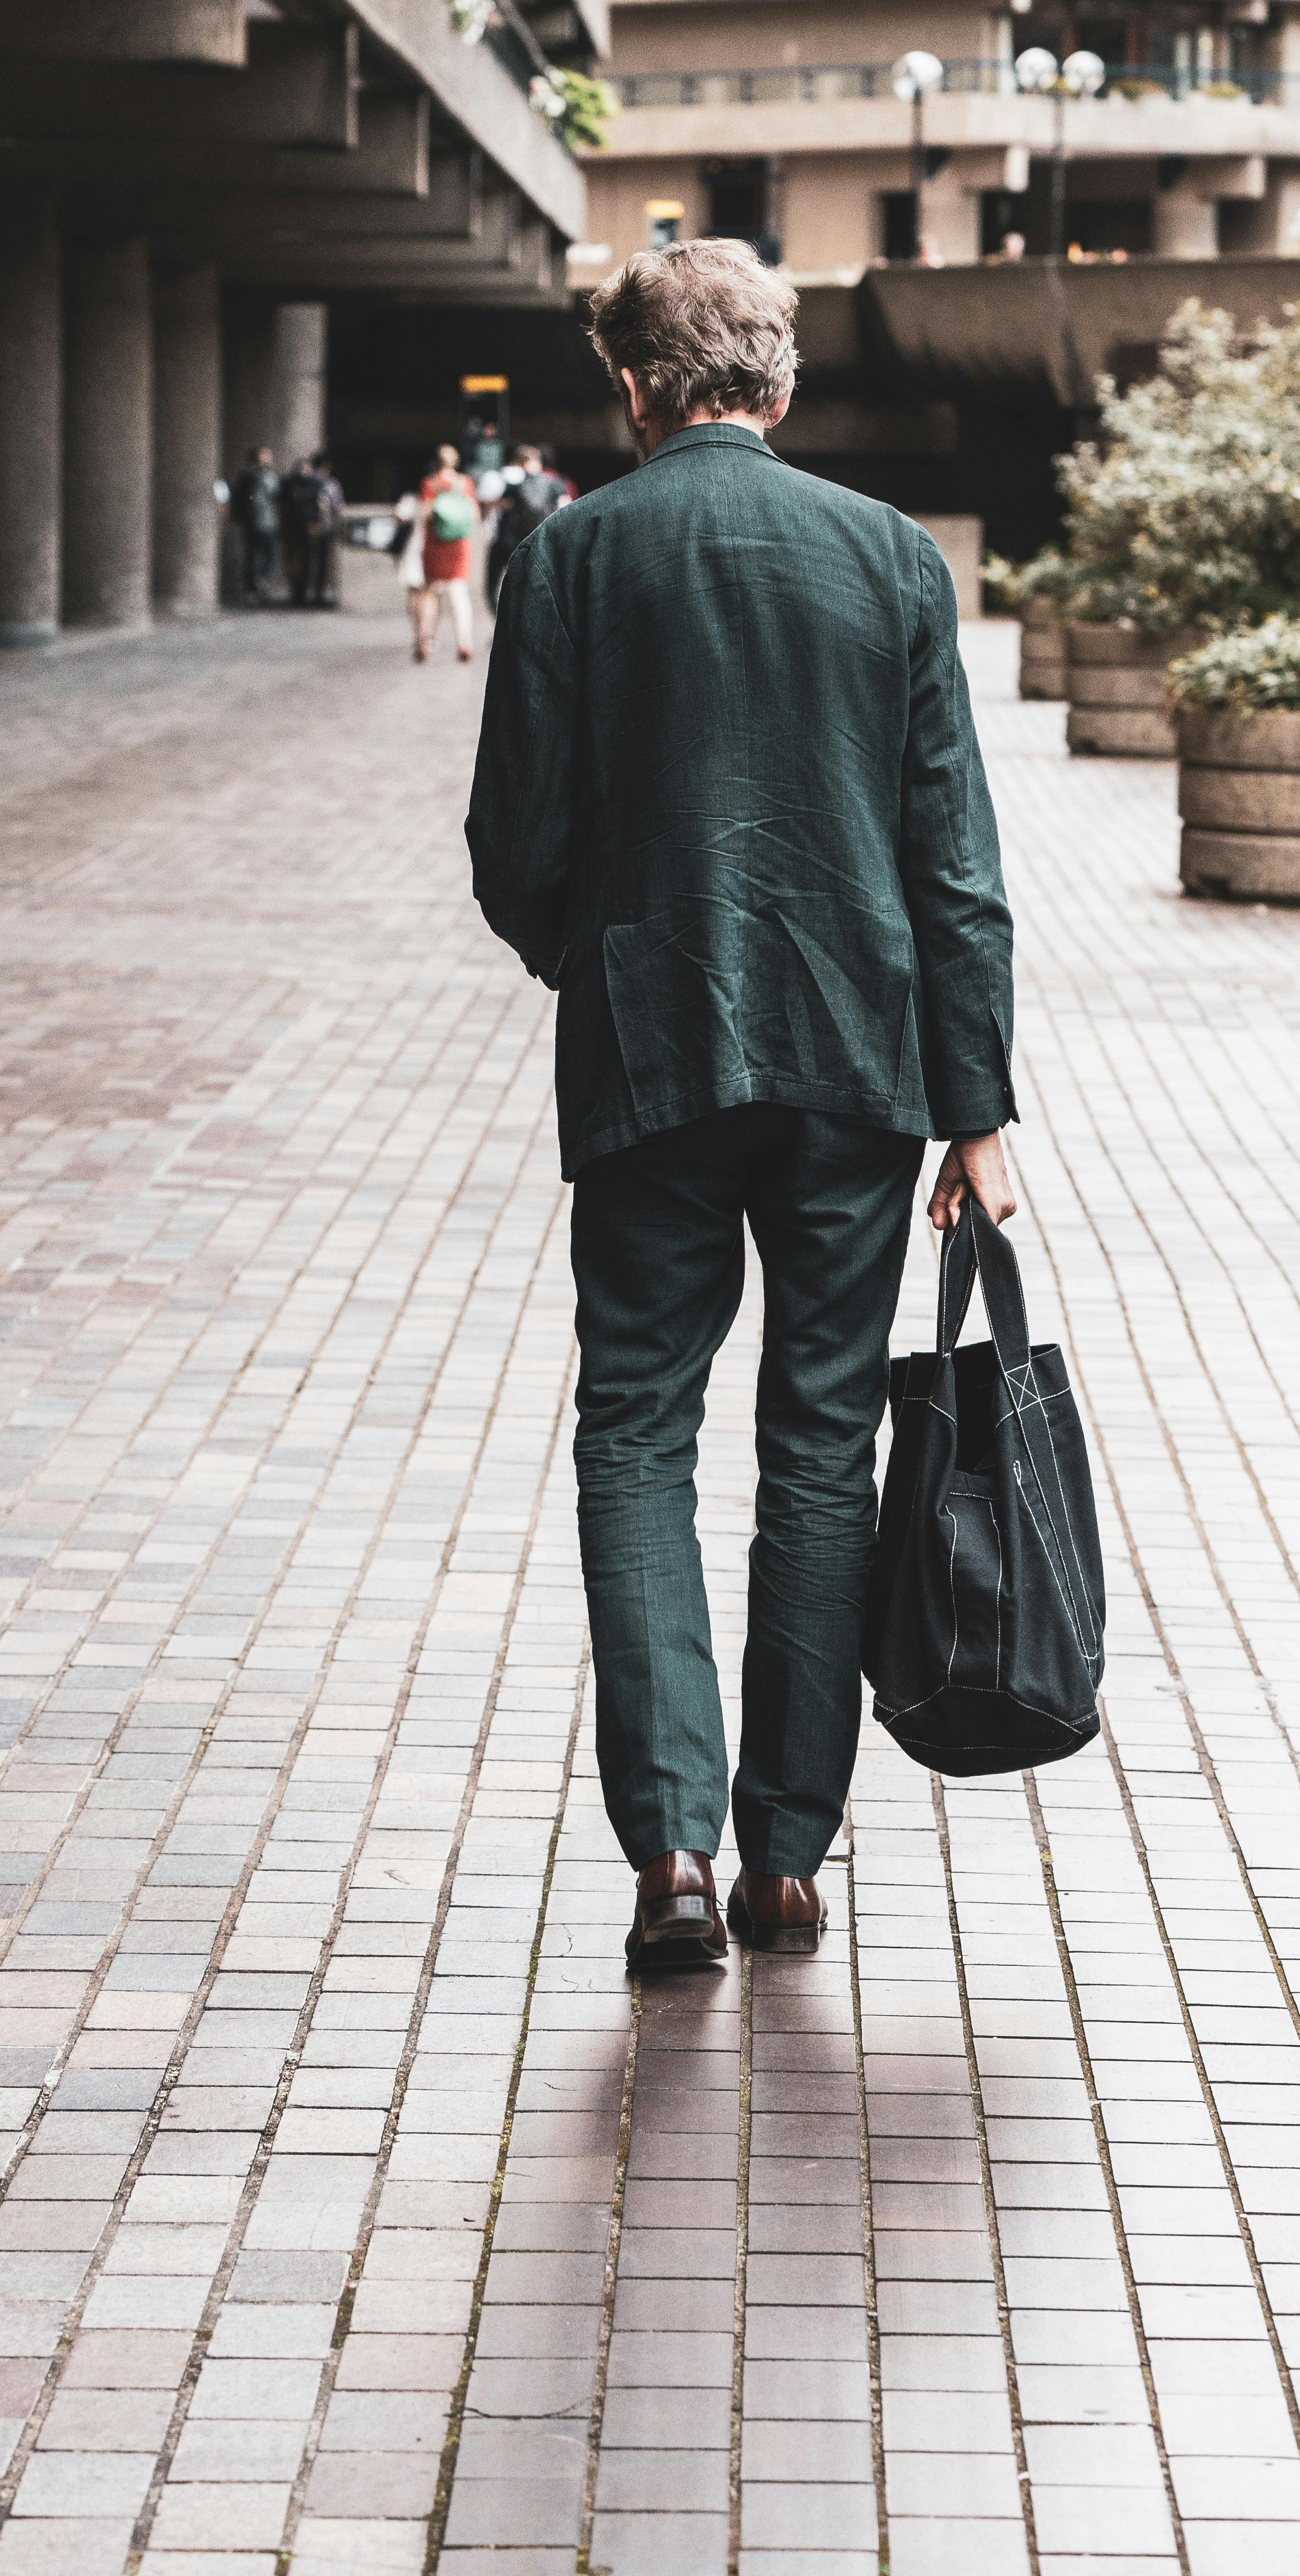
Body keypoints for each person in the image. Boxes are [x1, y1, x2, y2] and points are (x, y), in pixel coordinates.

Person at [466, 239, 1016, 1977]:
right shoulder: (889, 558)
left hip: (650, 1058)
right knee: (817, 1447)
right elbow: (955, 865)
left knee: (635, 1428)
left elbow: (512, 849)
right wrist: (976, 1104)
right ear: (778, 387)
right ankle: (790, 1850)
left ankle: (676, 1850)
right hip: (859, 1059)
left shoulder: (571, 556)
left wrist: (601, 954)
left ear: (636, 390)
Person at [407, 441, 480, 662]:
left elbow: (426, 515)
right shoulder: (465, 483)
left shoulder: (429, 483)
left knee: (430, 592)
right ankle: (464, 642)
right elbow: (474, 516)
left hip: (435, 544)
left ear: (435, 462)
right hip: (458, 545)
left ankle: (425, 642)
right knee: (458, 592)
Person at [487, 441, 572, 611]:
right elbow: (566, 507)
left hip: (514, 544)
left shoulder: (515, 487)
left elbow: (498, 505)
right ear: (539, 464)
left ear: (521, 465)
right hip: (544, 542)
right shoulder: (556, 484)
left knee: (499, 586)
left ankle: (505, 618)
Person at [226, 443, 280, 605]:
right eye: (265, 455)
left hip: (270, 522)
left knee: (270, 554)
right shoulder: (249, 475)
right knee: (252, 555)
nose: (269, 458)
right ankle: (252, 588)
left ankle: (262, 583)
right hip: (253, 521)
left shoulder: (272, 476)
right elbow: (238, 496)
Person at [300, 454, 344, 608]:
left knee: (308, 561)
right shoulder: (331, 484)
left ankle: (305, 595)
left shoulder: (307, 482)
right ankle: (316, 595)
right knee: (320, 563)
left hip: (311, 527)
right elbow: (338, 507)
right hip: (323, 527)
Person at [277, 456, 319, 607]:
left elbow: (316, 506)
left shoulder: (314, 484)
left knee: (306, 561)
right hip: (292, 528)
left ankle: (303, 593)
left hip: (307, 528)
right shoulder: (289, 484)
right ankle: (296, 592)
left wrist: (314, 523)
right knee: (293, 560)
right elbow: (284, 505)